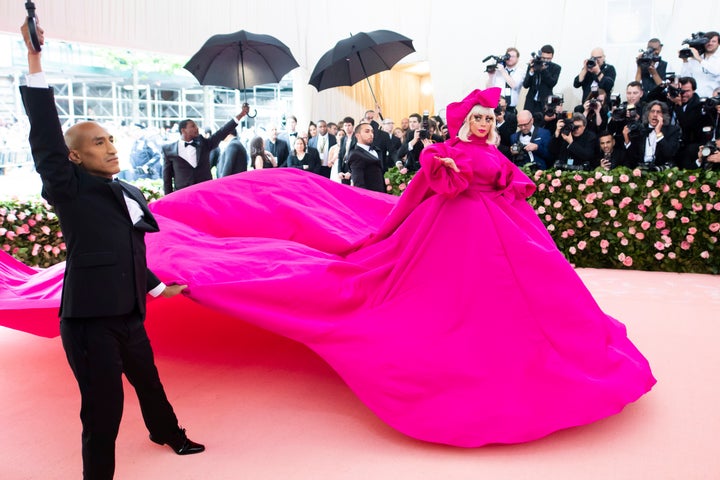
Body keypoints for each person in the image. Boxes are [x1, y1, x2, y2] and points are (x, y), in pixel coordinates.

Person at [1, 86, 656, 449]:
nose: (485, 124)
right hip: (103, 301)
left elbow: (515, 186)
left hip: (502, 251)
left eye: (490, 116)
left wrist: (498, 191)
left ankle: (160, 431)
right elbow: (409, 206)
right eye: (477, 116)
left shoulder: (484, 159)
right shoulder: (78, 186)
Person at [19, 20, 203, 480]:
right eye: (98, 143)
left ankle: (167, 433)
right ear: (76, 157)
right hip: (88, 323)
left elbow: (129, 250)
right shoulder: (67, 187)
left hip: (129, 315)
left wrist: (160, 288)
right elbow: (44, 134)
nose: (111, 147)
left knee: (150, 382)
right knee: (104, 411)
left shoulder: (126, 191)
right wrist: (35, 60)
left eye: (111, 139)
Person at [162, 108, 249, 195]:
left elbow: (221, 132)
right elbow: (167, 179)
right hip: (182, 197)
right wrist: (167, 199)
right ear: (183, 130)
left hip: (205, 194)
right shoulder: (168, 150)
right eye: (192, 126)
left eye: (196, 126)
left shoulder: (203, 143)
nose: (197, 128)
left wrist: (240, 115)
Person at [622, 100, 681, 170]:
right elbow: (632, 157)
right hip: (641, 169)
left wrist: (658, 132)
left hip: (660, 170)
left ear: (663, 115)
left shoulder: (672, 130)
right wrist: (627, 140)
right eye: (652, 111)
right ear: (648, 114)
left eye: (658, 112)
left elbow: (669, 154)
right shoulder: (640, 129)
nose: (655, 115)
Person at [346, 122, 386, 192]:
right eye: (367, 131)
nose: (371, 134)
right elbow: (358, 184)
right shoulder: (355, 155)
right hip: (370, 197)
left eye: (372, 132)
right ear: (357, 135)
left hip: (381, 195)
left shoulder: (377, 150)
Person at [522, 45, 562, 115]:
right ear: (540, 56)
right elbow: (525, 85)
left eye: (548, 58)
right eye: (543, 58)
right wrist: (531, 71)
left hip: (544, 102)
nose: (546, 60)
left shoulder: (556, 68)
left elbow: (552, 83)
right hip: (531, 101)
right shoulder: (534, 64)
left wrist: (544, 70)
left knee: (540, 123)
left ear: (552, 57)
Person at [679, 31, 720, 98]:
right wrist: (685, 61)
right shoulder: (695, 58)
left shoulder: (717, 58)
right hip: (696, 99)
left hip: (714, 99)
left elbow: (716, 71)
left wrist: (699, 59)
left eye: (713, 41)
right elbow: (685, 78)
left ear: (718, 43)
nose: (710, 43)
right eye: (707, 41)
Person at [486, 47, 526, 114]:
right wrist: (491, 76)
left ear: (517, 59)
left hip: (510, 109)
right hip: (496, 107)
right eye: (508, 56)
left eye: (513, 56)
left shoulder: (521, 72)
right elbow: (488, 88)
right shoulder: (498, 70)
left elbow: (514, 85)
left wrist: (503, 71)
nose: (510, 58)